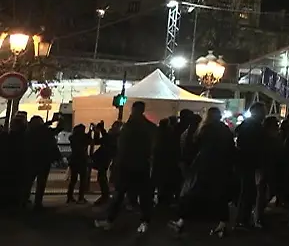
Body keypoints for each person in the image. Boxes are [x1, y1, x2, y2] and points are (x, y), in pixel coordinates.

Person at [169, 106, 236, 237]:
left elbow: (195, 145)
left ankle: (182, 221)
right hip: (221, 166)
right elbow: (230, 148)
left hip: (204, 164)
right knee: (220, 195)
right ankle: (222, 224)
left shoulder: (204, 129)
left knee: (193, 192)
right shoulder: (224, 129)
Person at [95, 101, 156, 233]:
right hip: (141, 165)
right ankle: (145, 221)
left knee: (120, 193)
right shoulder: (148, 127)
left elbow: (122, 146)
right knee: (142, 195)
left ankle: (111, 220)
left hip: (128, 165)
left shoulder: (130, 126)